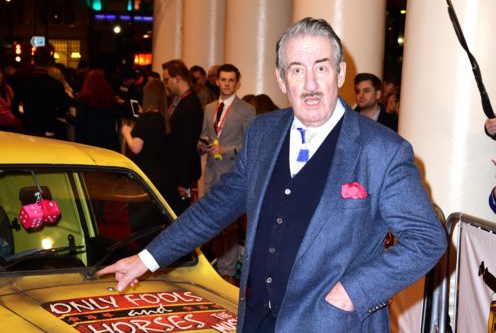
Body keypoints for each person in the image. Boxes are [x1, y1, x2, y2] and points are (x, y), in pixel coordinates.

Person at [98, 17, 447, 332]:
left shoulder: (382, 150)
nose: (310, 83)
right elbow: (217, 206)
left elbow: (427, 239)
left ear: (340, 74)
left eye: (321, 68)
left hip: (333, 324)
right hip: (258, 321)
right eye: (297, 70)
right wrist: (148, 257)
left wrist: (353, 292)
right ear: (282, 78)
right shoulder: (263, 132)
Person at [198, 63, 256, 281]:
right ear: (217, 81)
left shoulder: (246, 110)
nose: (227, 84)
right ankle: (219, 268)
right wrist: (202, 144)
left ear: (237, 82)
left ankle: (228, 273)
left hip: (232, 175)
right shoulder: (209, 108)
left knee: (229, 226)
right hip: (211, 173)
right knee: (213, 223)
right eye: (223, 80)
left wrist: (227, 150)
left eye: (231, 80)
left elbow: (251, 145)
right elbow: (204, 134)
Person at [162, 59, 203, 215]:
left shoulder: (190, 104)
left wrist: (184, 182)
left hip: (180, 175)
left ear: (177, 78)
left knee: (177, 217)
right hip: (174, 171)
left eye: (167, 80)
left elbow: (189, 145)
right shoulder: (179, 101)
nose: (165, 84)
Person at [121, 79, 170, 200]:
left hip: (145, 172)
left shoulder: (146, 118)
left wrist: (126, 133)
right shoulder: (163, 118)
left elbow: (136, 148)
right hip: (159, 172)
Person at [11, 46, 71, 139]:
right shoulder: (55, 84)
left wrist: (26, 117)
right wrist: (51, 116)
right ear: (50, 62)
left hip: (29, 128)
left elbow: (14, 108)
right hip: (49, 129)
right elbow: (64, 108)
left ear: (33, 61)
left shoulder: (24, 82)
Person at [74, 67, 119, 151]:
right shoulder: (109, 99)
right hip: (107, 142)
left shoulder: (85, 99)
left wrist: (68, 118)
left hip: (88, 143)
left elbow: (80, 122)